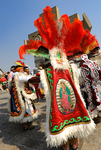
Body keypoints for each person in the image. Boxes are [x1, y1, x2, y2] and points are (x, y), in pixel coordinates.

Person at [18, 6, 95, 150]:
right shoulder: (58, 71)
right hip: (64, 103)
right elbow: (80, 81)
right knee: (67, 119)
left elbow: (80, 81)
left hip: (66, 103)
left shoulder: (59, 71)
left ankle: (70, 139)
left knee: (68, 118)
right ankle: (68, 139)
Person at [8, 61, 38, 130]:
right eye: (22, 69)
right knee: (27, 109)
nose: (23, 70)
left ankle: (25, 124)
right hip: (22, 96)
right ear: (19, 70)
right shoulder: (19, 76)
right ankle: (27, 125)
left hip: (18, 96)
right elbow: (28, 79)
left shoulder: (13, 76)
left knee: (24, 109)